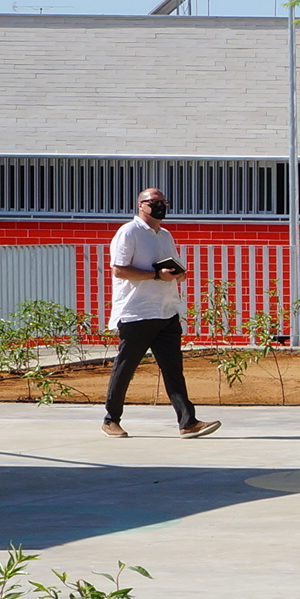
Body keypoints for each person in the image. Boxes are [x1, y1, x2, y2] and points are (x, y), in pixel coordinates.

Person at [102, 186, 219, 439]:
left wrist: (178, 274)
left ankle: (188, 422)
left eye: (164, 201)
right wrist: (156, 275)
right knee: (125, 367)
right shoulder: (128, 232)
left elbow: (172, 266)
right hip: (137, 312)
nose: (161, 206)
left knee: (173, 369)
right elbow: (119, 270)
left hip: (166, 311)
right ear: (140, 205)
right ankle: (111, 420)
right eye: (154, 201)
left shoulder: (165, 235)